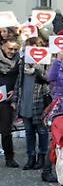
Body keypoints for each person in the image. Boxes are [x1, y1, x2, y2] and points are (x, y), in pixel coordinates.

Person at [0, 38, 23, 167]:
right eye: (10, 49)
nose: (12, 52)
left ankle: (9, 158)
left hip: (7, 99)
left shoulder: (19, 61)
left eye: (15, 49)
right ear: (3, 46)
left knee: (6, 130)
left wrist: (15, 92)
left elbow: (20, 79)